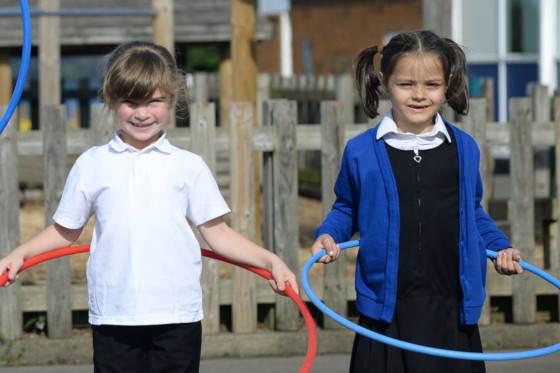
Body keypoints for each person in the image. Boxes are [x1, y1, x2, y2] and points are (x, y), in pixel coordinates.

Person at [0, 41, 299, 373]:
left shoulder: (189, 166)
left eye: (154, 101)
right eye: (130, 102)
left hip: (176, 316)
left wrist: (270, 261)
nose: (142, 113)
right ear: (112, 100)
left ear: (172, 100)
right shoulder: (92, 165)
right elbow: (65, 231)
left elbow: (219, 235)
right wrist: (21, 254)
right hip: (114, 316)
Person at [311, 30, 523, 373]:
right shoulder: (362, 151)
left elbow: (472, 211)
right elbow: (346, 208)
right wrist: (329, 234)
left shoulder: (464, 148)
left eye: (432, 85)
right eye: (406, 84)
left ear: (447, 83)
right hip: (386, 311)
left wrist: (500, 246)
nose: (420, 95)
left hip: (450, 309)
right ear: (384, 81)